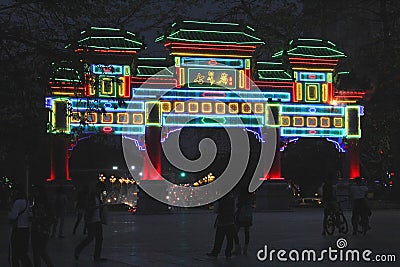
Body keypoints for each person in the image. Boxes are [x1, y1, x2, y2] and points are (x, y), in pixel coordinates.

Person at [74, 182, 107, 262]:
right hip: (91, 220)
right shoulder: (90, 197)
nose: (100, 191)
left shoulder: (98, 197)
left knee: (99, 239)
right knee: (90, 237)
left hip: (97, 220)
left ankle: (97, 256)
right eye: (100, 189)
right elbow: (88, 208)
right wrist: (99, 207)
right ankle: (78, 249)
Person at [8, 185, 33, 267]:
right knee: (23, 252)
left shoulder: (17, 202)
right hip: (25, 229)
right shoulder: (26, 201)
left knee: (14, 253)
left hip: (17, 229)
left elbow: (13, 216)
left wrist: (9, 213)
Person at [31, 186, 55, 267]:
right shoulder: (46, 203)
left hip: (39, 230)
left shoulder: (39, 204)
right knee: (41, 251)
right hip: (43, 230)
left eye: (36, 191)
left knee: (38, 252)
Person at [206, 192, 235, 259]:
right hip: (230, 221)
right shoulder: (232, 199)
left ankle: (216, 252)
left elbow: (216, 210)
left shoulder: (221, 200)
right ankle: (228, 252)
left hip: (222, 220)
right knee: (229, 238)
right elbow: (234, 209)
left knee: (219, 238)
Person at [232, 190, 255, 255]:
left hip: (241, 214)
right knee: (247, 231)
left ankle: (237, 247)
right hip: (248, 214)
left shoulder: (242, 193)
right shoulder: (250, 193)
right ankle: (245, 249)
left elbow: (239, 204)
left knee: (235, 231)